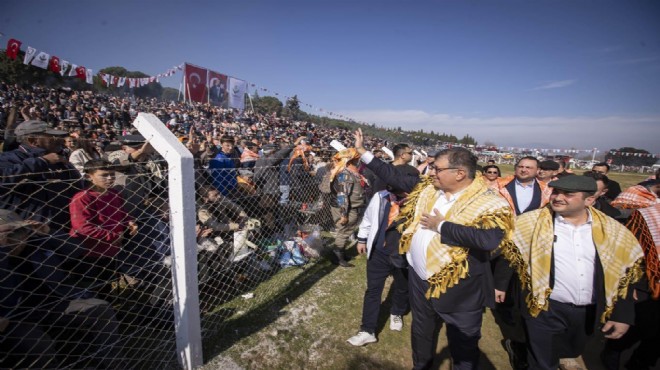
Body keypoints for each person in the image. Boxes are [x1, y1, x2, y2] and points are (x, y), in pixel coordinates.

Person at [375, 139, 513, 369]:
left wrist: (442, 226)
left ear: (459, 173)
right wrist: (363, 154)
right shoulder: (430, 190)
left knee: (463, 346)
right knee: (422, 332)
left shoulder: (491, 202)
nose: (432, 172)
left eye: (437, 169)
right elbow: (395, 176)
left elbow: (488, 239)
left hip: (459, 288)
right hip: (420, 280)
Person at [501, 175, 645, 370]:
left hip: (588, 311)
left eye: (568, 194)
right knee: (542, 361)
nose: (558, 197)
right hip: (544, 308)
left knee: (571, 350)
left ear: (589, 200)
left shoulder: (612, 231)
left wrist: (622, 315)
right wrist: (499, 285)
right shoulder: (529, 223)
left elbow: (624, 276)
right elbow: (509, 254)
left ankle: (521, 349)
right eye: (556, 192)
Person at [346, 166, 419, 347]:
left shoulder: (420, 203)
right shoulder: (381, 197)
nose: (391, 187)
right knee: (373, 290)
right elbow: (369, 219)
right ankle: (367, 330)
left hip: (403, 254)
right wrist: (362, 239)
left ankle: (397, 312)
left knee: (402, 287)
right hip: (379, 252)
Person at [601, 203, 660, 370]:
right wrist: (629, 287)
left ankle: (641, 361)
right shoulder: (647, 218)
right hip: (647, 284)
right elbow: (628, 255)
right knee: (639, 325)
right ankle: (613, 351)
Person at [69, 159, 138, 283]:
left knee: (109, 281)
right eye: (104, 175)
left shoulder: (114, 193)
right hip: (90, 252)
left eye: (112, 174)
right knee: (95, 285)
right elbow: (82, 228)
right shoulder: (83, 197)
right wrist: (113, 236)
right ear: (89, 177)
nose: (110, 178)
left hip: (111, 248)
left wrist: (129, 222)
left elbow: (121, 212)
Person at [320, 148, 367, 267]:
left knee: (346, 230)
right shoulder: (345, 174)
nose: (358, 160)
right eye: (356, 158)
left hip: (350, 206)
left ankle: (341, 253)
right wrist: (344, 214)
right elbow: (342, 195)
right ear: (350, 160)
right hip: (345, 208)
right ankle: (337, 256)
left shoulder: (349, 172)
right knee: (344, 231)